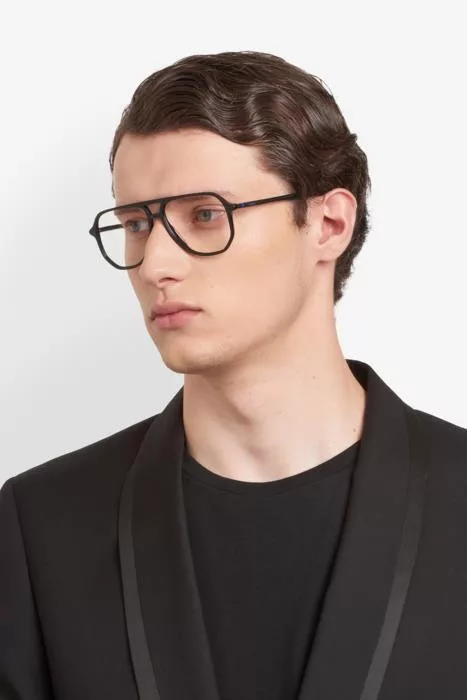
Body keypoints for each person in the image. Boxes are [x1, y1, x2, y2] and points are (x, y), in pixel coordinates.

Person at [0, 50, 466, 700]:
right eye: (136, 223)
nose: (154, 263)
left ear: (329, 223)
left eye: (204, 215)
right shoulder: (42, 526)